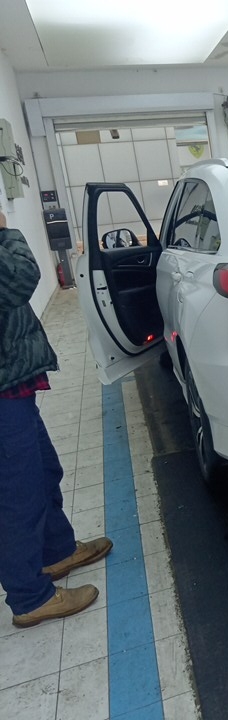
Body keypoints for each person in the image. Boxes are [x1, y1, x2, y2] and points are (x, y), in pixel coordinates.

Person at [0, 211, 112, 628]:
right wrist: (4, 230)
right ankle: (30, 597)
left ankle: (57, 552)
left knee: (44, 473)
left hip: (13, 381)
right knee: (17, 498)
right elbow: (18, 278)